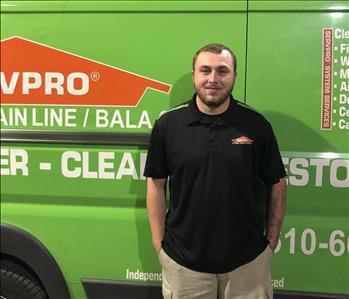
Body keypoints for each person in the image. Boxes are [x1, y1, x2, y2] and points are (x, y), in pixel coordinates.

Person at [144, 43, 287, 299]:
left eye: (222, 71)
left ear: (234, 77)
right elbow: (156, 184)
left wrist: (271, 243)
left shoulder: (257, 125)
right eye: (205, 70)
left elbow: (277, 182)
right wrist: (159, 245)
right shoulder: (168, 125)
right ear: (194, 76)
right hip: (184, 266)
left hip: (248, 265)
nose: (213, 79)